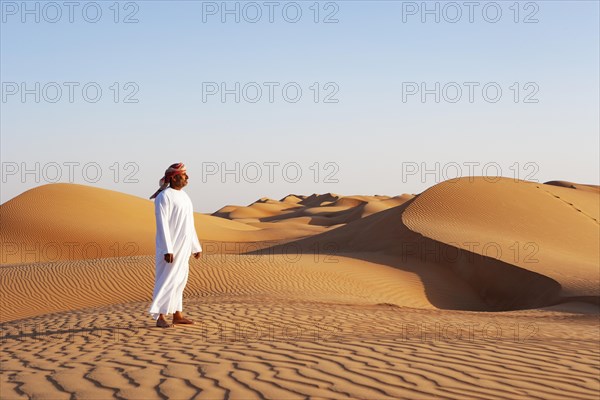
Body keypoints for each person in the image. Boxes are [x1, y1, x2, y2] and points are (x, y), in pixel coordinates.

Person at [148, 163, 202, 328]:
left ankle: (178, 315)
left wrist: (195, 246)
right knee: (167, 280)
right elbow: (162, 223)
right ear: (173, 177)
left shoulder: (185, 197)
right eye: (183, 175)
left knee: (180, 280)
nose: (187, 178)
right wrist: (167, 248)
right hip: (170, 248)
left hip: (184, 247)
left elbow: (189, 224)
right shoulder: (164, 197)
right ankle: (160, 317)